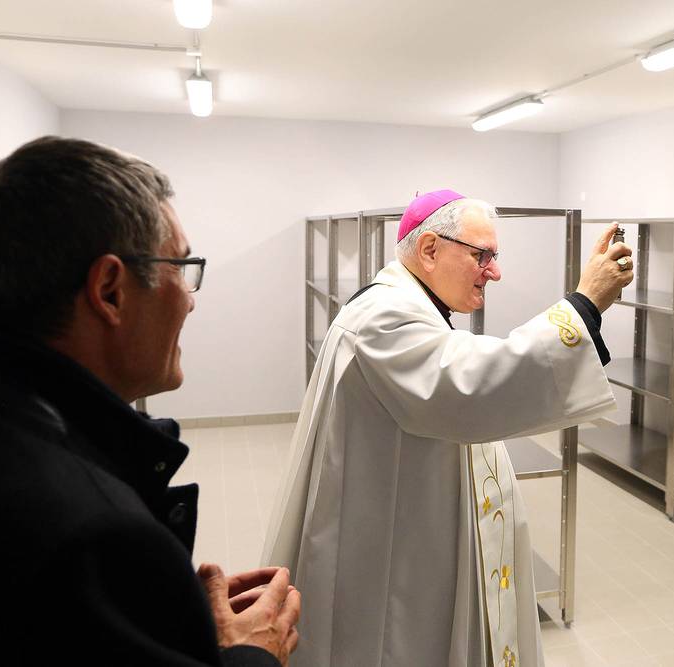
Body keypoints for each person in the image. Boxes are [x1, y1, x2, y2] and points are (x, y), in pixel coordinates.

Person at [0, 136, 300, 666]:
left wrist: (156, 615)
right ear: (110, 290)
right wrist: (252, 653)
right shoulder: (97, 537)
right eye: (180, 267)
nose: (190, 301)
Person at [262, 189, 633, 667]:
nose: (494, 272)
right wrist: (585, 305)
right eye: (483, 255)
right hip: (389, 553)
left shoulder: (408, 305)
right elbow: (472, 387)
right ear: (430, 249)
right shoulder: (384, 316)